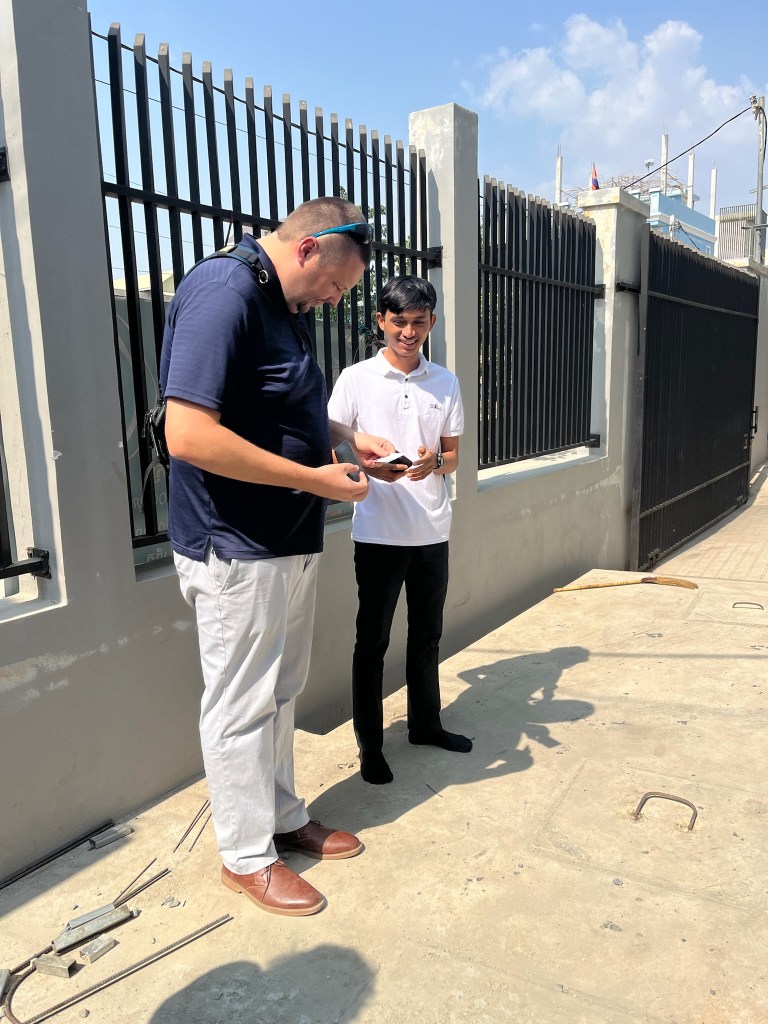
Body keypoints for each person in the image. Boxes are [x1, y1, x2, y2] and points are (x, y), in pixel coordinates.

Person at [160, 197, 395, 916]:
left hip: (286, 538)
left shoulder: (280, 303)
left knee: (281, 690)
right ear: (307, 248)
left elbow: (272, 404)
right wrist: (314, 479)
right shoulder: (223, 292)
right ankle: (245, 855)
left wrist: (343, 439)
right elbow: (187, 434)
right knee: (240, 702)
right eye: (336, 284)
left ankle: (284, 817)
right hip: (236, 543)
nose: (336, 300)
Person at [327, 275, 472, 785]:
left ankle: (425, 725)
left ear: (431, 322)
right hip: (378, 533)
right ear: (381, 322)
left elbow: (453, 457)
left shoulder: (445, 382)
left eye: (418, 322)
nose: (409, 332)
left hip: (432, 530)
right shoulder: (356, 379)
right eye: (399, 322)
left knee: (427, 636)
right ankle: (371, 746)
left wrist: (435, 464)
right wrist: (363, 468)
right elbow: (331, 441)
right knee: (372, 641)